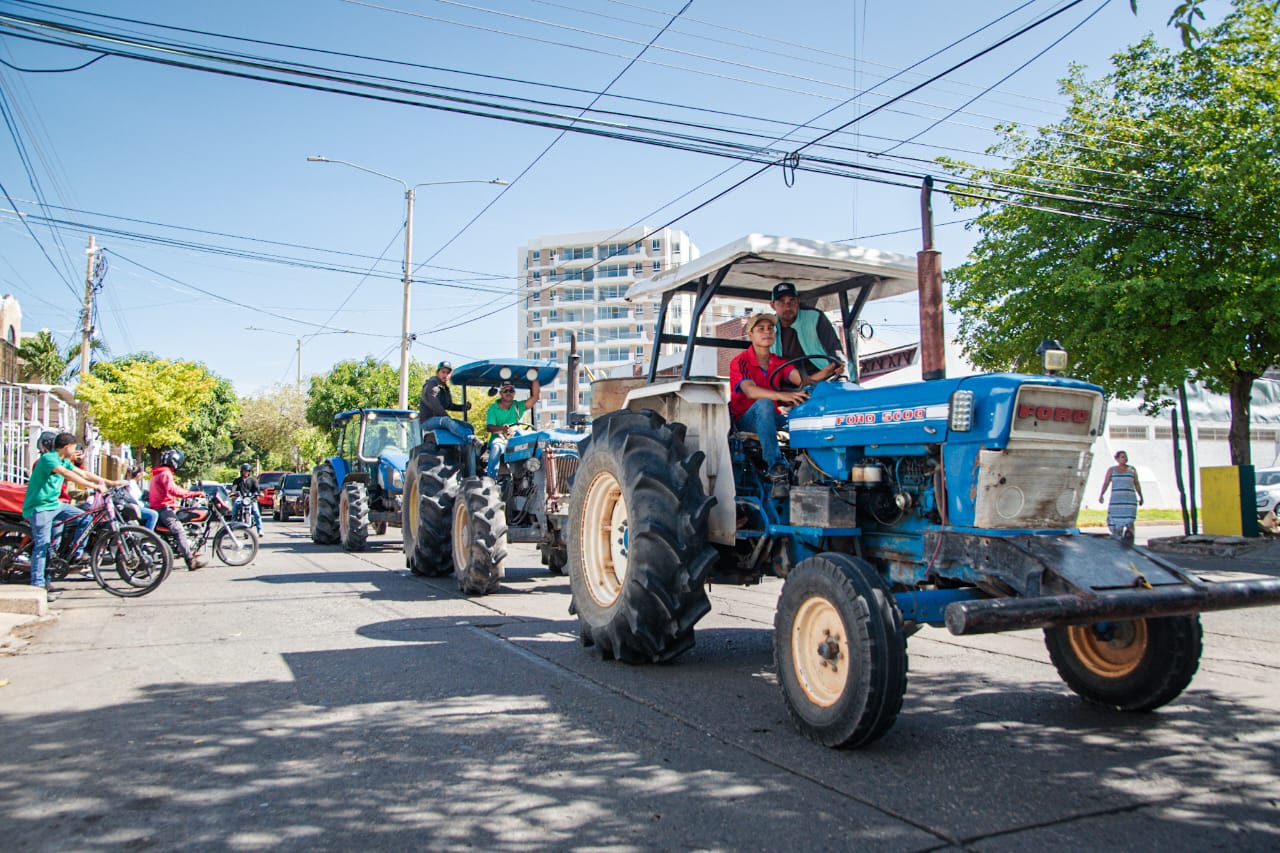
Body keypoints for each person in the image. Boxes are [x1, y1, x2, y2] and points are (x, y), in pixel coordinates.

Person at [21, 432, 114, 599]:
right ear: (67, 447)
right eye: (73, 447)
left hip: (54, 505)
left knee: (86, 517)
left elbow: (83, 474)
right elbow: (67, 474)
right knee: (43, 545)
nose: (75, 450)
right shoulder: (48, 459)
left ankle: (76, 555)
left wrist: (111, 483)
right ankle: (38, 585)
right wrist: (93, 487)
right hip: (40, 507)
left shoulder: (63, 460)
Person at [729, 313, 807, 492]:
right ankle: (776, 468)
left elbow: (802, 381)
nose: (767, 332)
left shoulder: (778, 362)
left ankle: (812, 469)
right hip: (746, 420)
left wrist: (829, 371)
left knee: (803, 418)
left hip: (772, 417)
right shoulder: (740, 362)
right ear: (750, 334)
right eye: (761, 329)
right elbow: (750, 391)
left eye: (770, 328)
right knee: (764, 403)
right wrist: (782, 396)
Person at [770, 281, 846, 383]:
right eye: (781, 302)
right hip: (787, 382)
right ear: (773, 305)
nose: (787, 307)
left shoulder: (815, 317)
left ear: (798, 301)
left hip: (824, 377)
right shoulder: (769, 327)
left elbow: (834, 347)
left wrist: (838, 363)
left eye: (792, 301)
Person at [149, 449, 207, 570]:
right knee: (179, 531)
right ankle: (190, 560)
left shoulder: (159, 472)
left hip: (160, 508)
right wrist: (194, 494)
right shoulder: (165, 473)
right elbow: (173, 490)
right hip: (163, 509)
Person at [485, 379, 540, 479]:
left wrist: (534, 377)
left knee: (538, 447)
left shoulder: (518, 406)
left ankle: (533, 478)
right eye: (505, 391)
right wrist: (502, 429)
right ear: (501, 393)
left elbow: (535, 397)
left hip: (517, 440)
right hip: (501, 440)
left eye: (511, 391)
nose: (508, 393)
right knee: (496, 446)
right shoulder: (493, 408)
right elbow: (489, 427)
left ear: (514, 393)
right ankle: (491, 478)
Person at [418, 361, 474, 442]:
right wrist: (449, 419)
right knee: (447, 421)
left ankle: (470, 447)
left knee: (467, 426)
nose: (445, 375)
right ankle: (470, 439)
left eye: (448, 373)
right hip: (427, 421)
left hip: (440, 419)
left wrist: (464, 407)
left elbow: (449, 405)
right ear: (437, 373)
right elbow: (436, 406)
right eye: (443, 372)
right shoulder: (432, 385)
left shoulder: (445, 388)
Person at [1099, 449, 1144, 541]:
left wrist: (1141, 496)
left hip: (1129, 501)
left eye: (1125, 457)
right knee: (1116, 522)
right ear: (1117, 459)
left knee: (1130, 522)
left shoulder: (1132, 469)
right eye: (1122, 457)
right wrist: (1101, 494)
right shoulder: (1111, 470)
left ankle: (1130, 541)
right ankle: (1117, 541)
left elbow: (1136, 483)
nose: (1125, 458)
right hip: (1116, 502)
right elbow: (1106, 483)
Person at [122, 463, 159, 530]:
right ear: (138, 474)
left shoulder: (132, 483)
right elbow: (136, 499)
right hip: (136, 508)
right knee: (153, 515)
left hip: (138, 506)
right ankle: (148, 534)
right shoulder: (130, 483)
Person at [229, 463, 263, 535]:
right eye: (244, 471)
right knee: (234, 509)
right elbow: (234, 488)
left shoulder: (253, 480)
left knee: (257, 513)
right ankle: (232, 527)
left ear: (249, 471)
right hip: (241, 498)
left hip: (251, 499)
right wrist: (233, 493)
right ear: (242, 471)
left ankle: (260, 530)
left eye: (247, 471)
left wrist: (258, 493)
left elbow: (257, 489)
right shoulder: (237, 480)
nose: (245, 472)